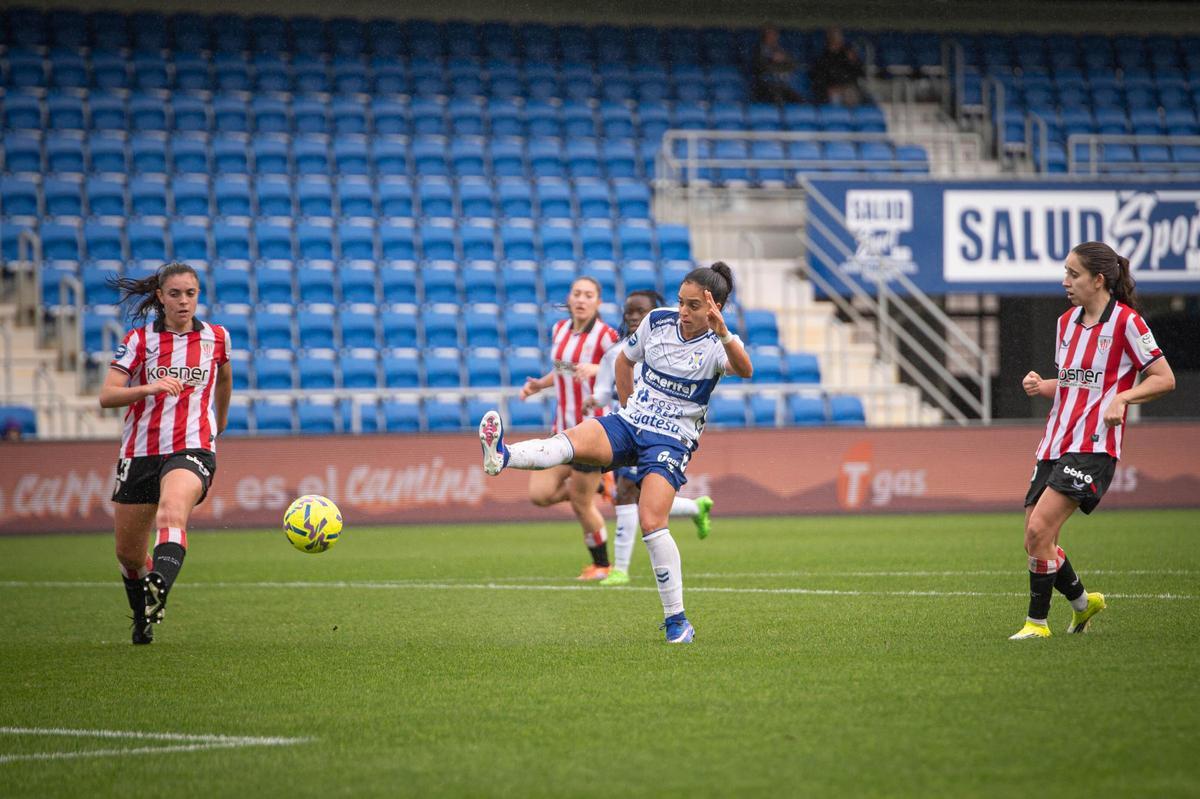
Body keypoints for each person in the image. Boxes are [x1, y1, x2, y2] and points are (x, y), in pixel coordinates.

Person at [478, 263, 753, 643]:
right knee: (569, 440)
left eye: (693, 306)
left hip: (671, 440)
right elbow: (625, 360)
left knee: (652, 520)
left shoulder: (718, 345)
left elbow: (745, 369)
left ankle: (677, 622)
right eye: (681, 302)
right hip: (632, 422)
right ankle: (501, 456)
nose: (683, 313)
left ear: (714, 307)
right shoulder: (658, 321)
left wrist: (723, 333)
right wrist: (627, 410)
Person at [1010, 242, 1174, 640]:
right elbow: (1074, 386)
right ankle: (1084, 604)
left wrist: (1124, 397)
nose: (1065, 281)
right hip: (1054, 441)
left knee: (1039, 533)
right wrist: (1042, 385)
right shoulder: (1066, 323)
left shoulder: (1127, 323)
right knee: (1037, 537)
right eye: (1065, 272)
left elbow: (1164, 378)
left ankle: (1037, 624)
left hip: (1094, 446)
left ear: (1098, 280)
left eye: (1073, 274)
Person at [99, 263, 233, 645]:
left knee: (172, 510)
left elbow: (224, 377)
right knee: (128, 555)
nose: (183, 301)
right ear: (160, 297)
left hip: (192, 447)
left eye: (190, 293)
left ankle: (160, 584)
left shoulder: (216, 338)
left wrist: (217, 424)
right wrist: (148, 388)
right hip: (140, 452)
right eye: (175, 294)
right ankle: (143, 616)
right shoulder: (140, 341)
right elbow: (107, 395)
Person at [581, 289, 714, 587]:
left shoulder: (668, 346)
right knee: (640, 498)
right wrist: (593, 400)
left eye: (640, 312)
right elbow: (604, 390)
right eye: (629, 311)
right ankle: (695, 507)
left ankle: (621, 570)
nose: (632, 317)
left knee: (627, 492)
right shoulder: (616, 353)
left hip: (659, 433)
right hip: (626, 429)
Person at [516, 276, 619, 581]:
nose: (582, 299)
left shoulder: (605, 334)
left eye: (589, 295)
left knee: (580, 503)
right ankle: (603, 485)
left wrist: (599, 368)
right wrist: (538, 385)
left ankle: (602, 565)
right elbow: (564, 368)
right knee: (540, 494)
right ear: (570, 298)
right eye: (577, 293)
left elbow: (626, 367)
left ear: (598, 303)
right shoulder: (560, 329)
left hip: (591, 433)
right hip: (561, 429)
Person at [810, 27, 865, 106]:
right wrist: (828, 89)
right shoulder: (822, 59)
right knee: (837, 96)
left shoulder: (847, 56)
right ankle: (839, 116)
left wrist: (855, 62)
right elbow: (818, 80)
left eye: (840, 37)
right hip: (831, 92)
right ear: (829, 39)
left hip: (849, 89)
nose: (840, 40)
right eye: (836, 37)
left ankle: (853, 116)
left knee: (851, 92)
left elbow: (860, 73)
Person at [751, 27, 804, 105]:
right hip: (764, 83)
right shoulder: (759, 50)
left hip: (779, 82)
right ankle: (779, 112)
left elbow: (793, 65)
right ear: (765, 36)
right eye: (771, 34)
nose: (774, 37)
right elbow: (759, 68)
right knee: (776, 91)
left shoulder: (779, 49)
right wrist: (772, 60)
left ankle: (802, 110)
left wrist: (785, 59)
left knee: (795, 95)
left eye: (775, 34)